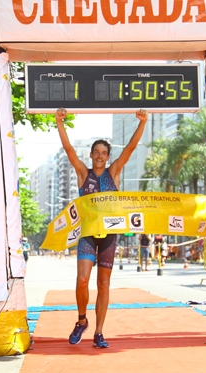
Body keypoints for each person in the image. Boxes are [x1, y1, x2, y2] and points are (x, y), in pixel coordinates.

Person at [56, 107, 148, 349]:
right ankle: (82, 320)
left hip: (109, 235)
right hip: (87, 234)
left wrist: (142, 123)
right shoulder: (83, 173)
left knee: (104, 284)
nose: (99, 156)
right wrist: (59, 122)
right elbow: (68, 150)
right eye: (96, 152)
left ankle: (98, 332)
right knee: (82, 280)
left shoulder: (113, 172)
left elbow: (130, 148)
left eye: (103, 153)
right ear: (91, 155)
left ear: (108, 156)